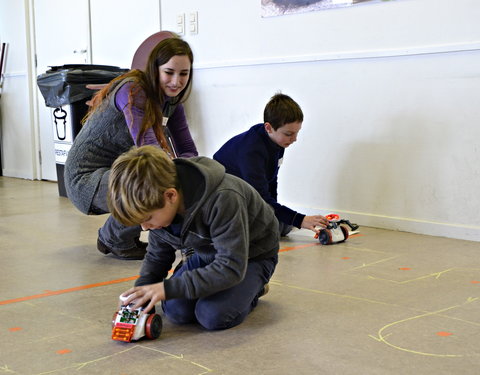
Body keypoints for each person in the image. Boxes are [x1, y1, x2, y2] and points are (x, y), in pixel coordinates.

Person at [109, 146, 279, 330]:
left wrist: (167, 288)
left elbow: (231, 266)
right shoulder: (158, 203)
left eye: (148, 219)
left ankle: (255, 289)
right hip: (207, 254)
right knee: (176, 311)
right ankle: (214, 284)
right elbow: (157, 257)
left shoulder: (223, 198)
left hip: (251, 257)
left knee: (212, 315)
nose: (144, 227)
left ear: (171, 195)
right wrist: (140, 294)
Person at [64, 36, 198, 260]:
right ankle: (115, 238)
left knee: (170, 177)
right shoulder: (133, 90)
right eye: (169, 72)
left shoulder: (172, 101)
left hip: (117, 174)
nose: (176, 81)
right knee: (151, 181)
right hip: (85, 180)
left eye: (183, 74)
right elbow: (150, 150)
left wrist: (196, 174)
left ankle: (113, 234)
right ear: (154, 69)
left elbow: (187, 148)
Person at [213, 93, 328, 237]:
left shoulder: (277, 142)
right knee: (274, 227)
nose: (294, 139)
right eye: (288, 134)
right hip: (225, 202)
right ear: (268, 127)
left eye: (296, 133)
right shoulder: (251, 151)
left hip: (247, 196)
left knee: (282, 226)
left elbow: (271, 181)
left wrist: (281, 216)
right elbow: (260, 196)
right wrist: (300, 219)